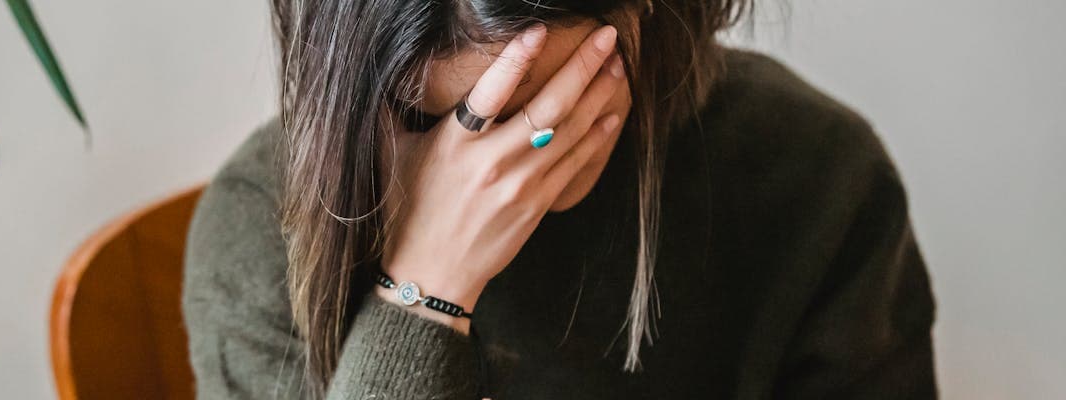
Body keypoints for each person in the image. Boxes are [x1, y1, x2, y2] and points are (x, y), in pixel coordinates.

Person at [182, 0, 937, 398]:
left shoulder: (816, 177)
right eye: (438, 119)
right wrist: (422, 301)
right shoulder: (261, 232)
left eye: (562, 102)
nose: (499, 171)